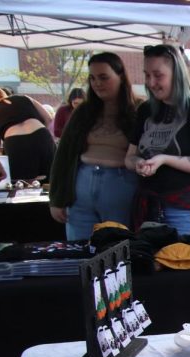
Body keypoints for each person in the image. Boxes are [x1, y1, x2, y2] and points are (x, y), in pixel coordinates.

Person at [125, 44, 190, 235]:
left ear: (177, 74)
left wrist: (164, 159)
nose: (151, 82)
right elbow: (129, 157)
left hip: (183, 210)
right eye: (147, 75)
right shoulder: (145, 110)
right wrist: (138, 163)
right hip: (147, 207)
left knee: (181, 262)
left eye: (158, 75)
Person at [49, 53, 141, 240]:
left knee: (119, 251)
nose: (97, 83)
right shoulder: (83, 110)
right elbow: (64, 154)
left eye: (103, 77)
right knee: (79, 250)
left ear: (121, 76)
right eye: (92, 78)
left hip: (121, 184)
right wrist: (56, 199)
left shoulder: (139, 109)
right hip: (81, 184)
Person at [0, 86, 55, 181]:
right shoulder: (25, 98)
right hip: (41, 135)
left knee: (23, 183)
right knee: (51, 177)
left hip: (16, 143)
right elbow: (49, 119)